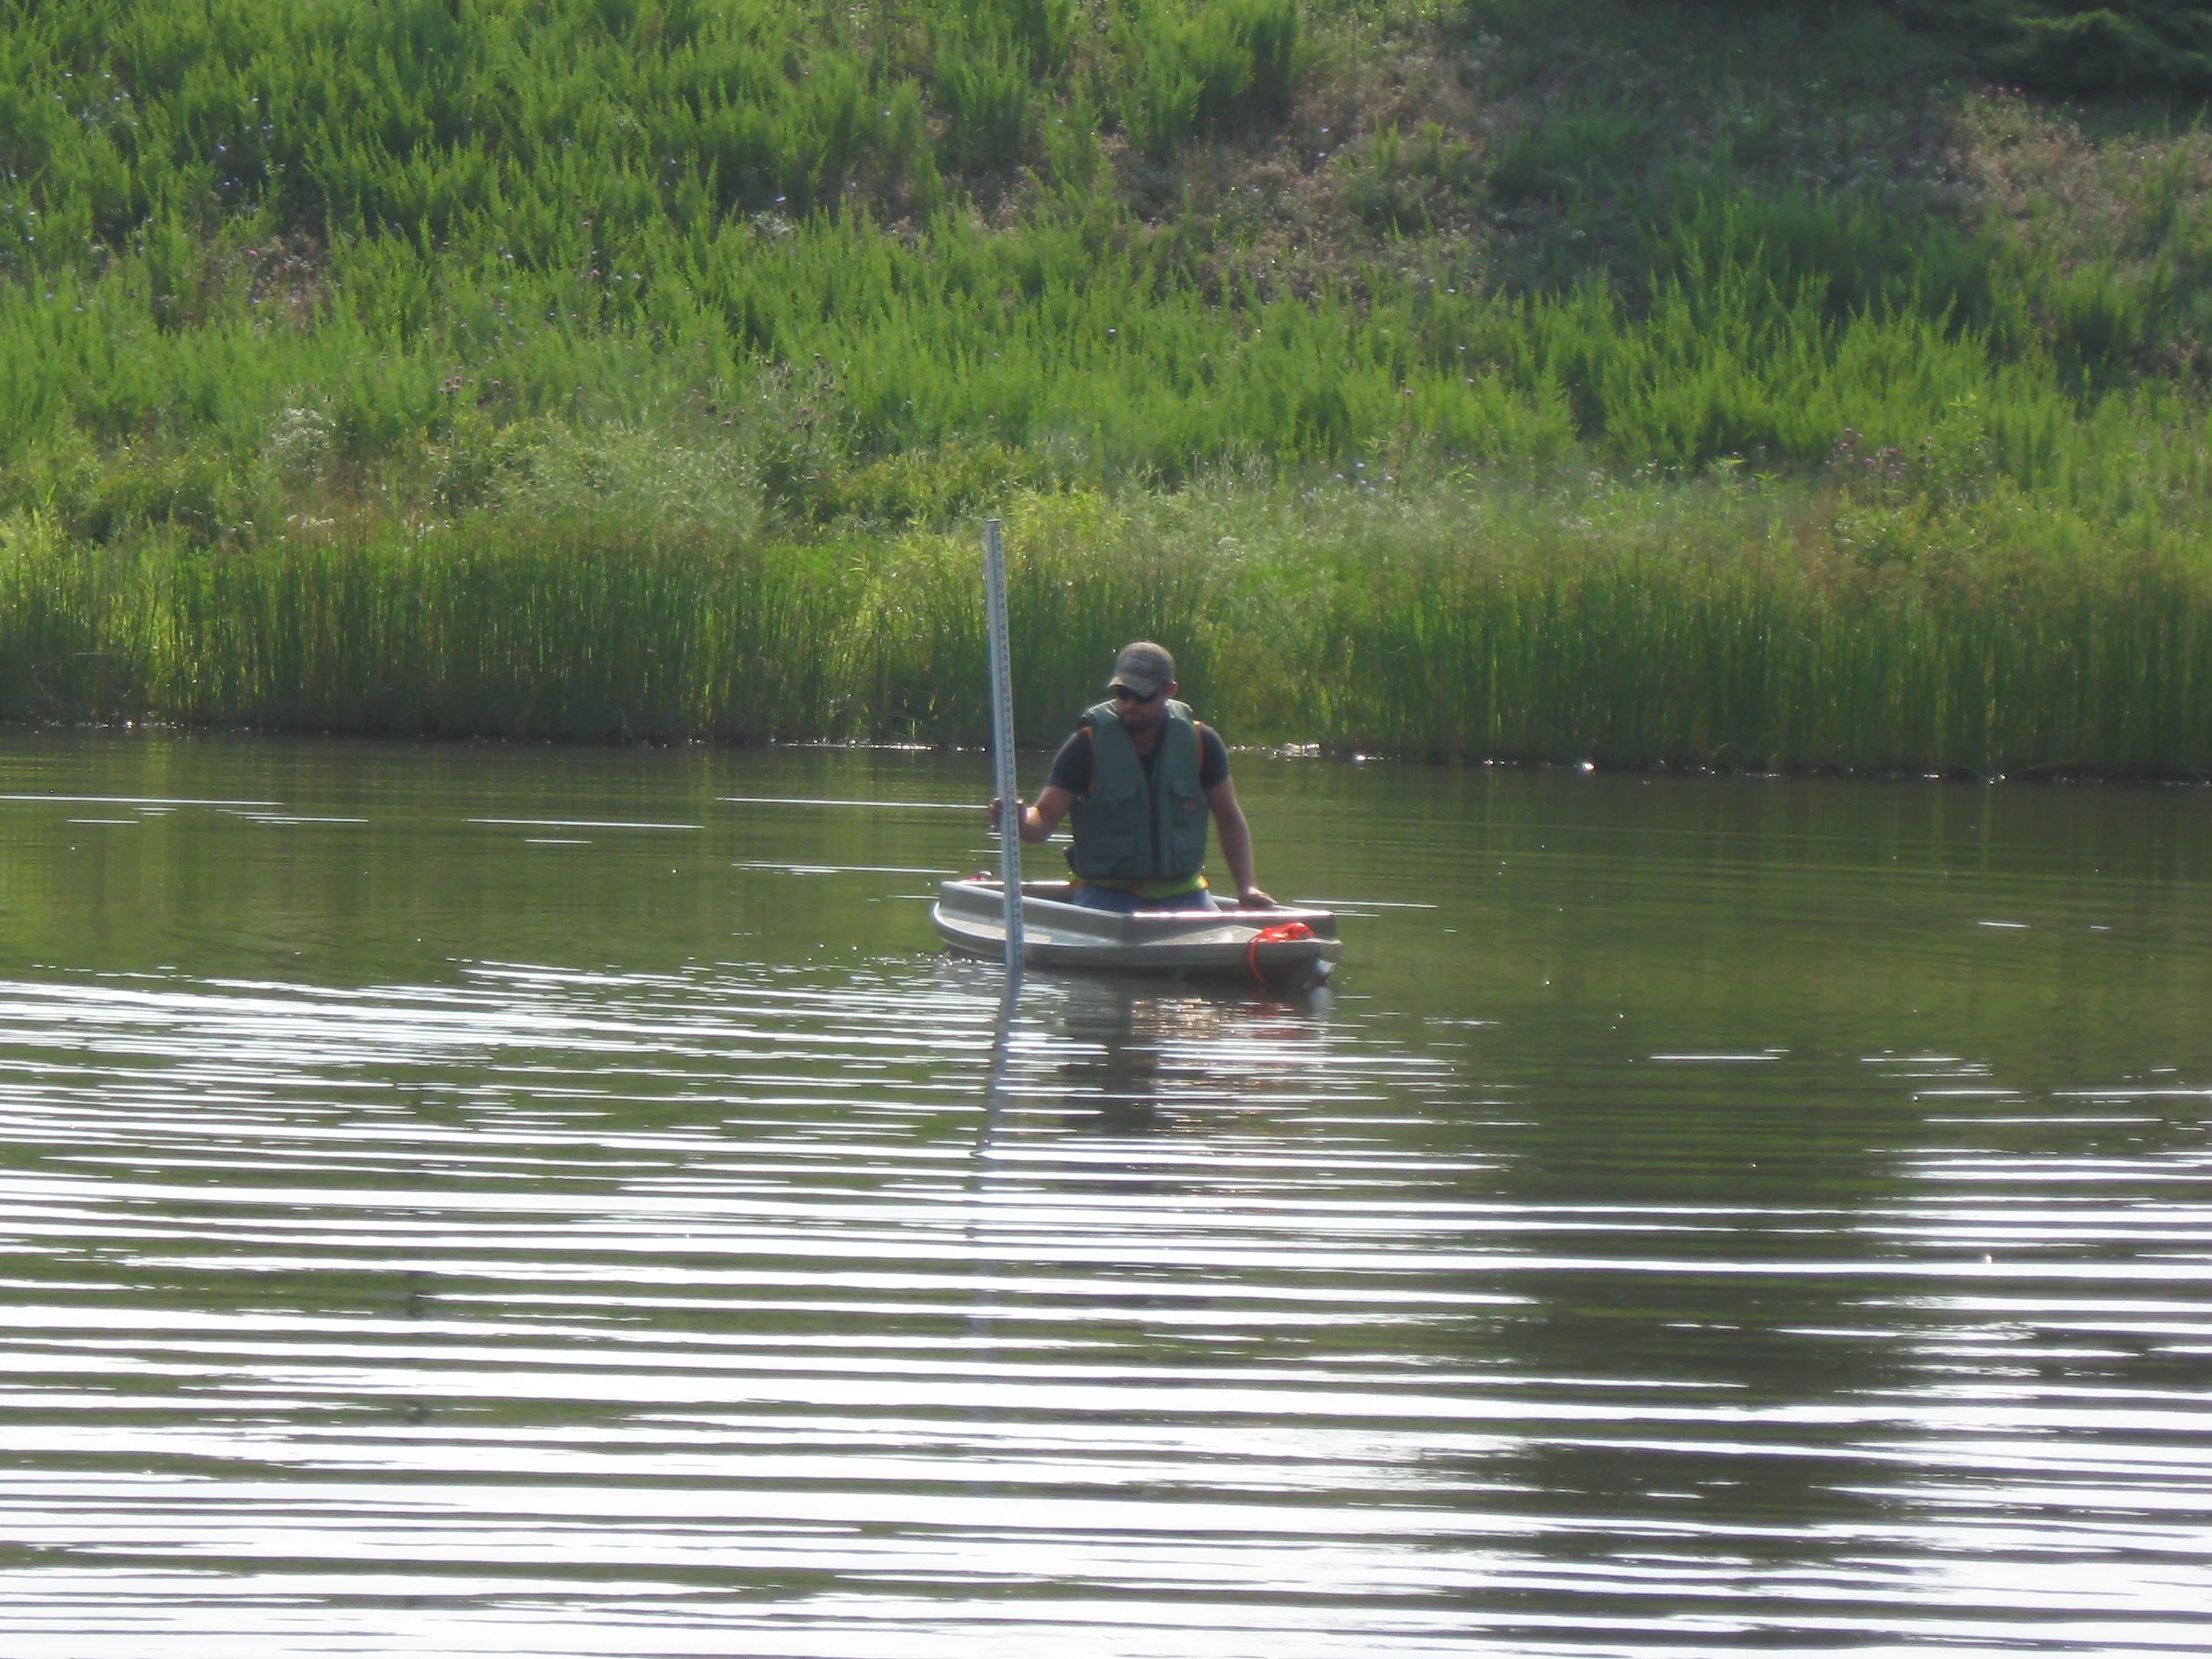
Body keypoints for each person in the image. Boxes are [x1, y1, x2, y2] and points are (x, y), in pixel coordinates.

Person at [990, 641, 1277, 914]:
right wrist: (1017, 820)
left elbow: (1229, 817)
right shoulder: (1086, 746)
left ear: (1170, 690)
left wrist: (1247, 887)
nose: (1130, 704)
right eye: (1123, 694)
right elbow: (1042, 822)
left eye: (1142, 696)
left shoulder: (1202, 743)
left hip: (1184, 894)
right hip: (1107, 895)